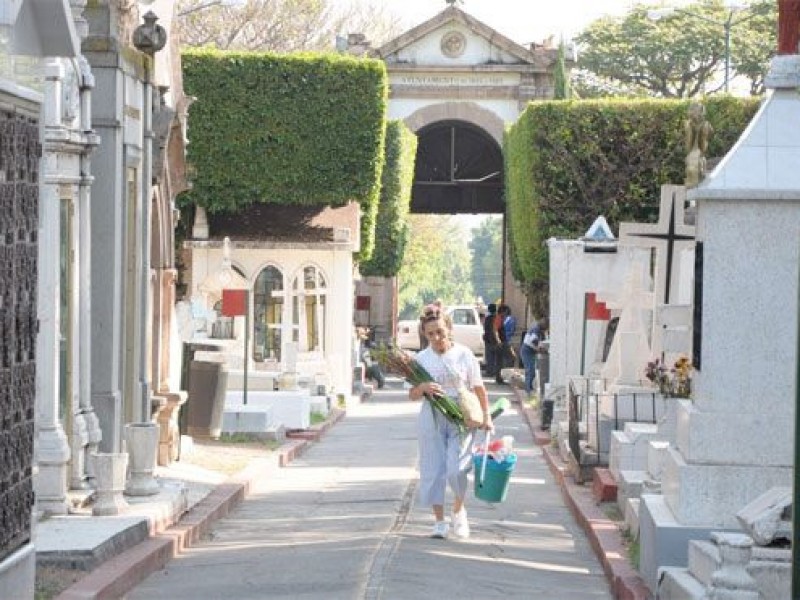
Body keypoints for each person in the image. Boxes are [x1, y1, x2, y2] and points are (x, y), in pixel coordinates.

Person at [410, 304, 493, 539]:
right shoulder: (421, 359)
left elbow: (478, 388)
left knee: (457, 469)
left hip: (461, 417)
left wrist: (486, 417)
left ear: (449, 329)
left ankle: (458, 509)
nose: (436, 338)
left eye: (440, 332)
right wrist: (423, 388)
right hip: (432, 416)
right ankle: (439, 521)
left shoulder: (464, 354)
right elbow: (411, 394)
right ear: (425, 335)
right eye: (430, 334)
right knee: (433, 469)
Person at [520, 318, 544, 397]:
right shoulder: (536, 329)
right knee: (530, 371)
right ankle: (529, 391)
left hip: (528, 350)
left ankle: (528, 389)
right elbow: (533, 340)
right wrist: (540, 348)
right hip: (528, 351)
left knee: (530, 371)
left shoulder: (537, 329)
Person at [482, 303, 500, 378]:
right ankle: (496, 372)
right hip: (496, 340)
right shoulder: (497, 318)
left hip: (489, 340)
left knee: (489, 357)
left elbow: (486, 329)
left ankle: (489, 372)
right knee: (496, 357)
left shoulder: (488, 318)